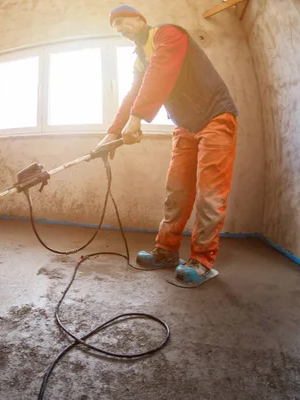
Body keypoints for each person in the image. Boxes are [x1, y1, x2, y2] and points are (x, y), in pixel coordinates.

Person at [99, 5, 238, 285]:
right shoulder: (140, 58)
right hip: (186, 125)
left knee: (209, 194)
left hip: (215, 116)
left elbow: (161, 72)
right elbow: (133, 93)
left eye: (123, 22)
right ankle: (166, 251)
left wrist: (136, 120)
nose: (120, 29)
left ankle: (202, 260)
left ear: (140, 19)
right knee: (176, 191)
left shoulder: (168, 34)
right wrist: (112, 133)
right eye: (115, 28)